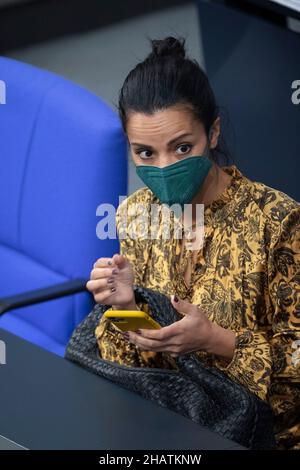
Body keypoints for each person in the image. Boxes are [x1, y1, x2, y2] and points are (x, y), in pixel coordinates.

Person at [86, 36, 300, 449]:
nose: (164, 168)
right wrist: (125, 308)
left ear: (213, 132)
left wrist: (217, 341)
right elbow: (141, 370)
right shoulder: (135, 215)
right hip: (170, 427)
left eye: (183, 147)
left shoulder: (278, 221)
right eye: (145, 153)